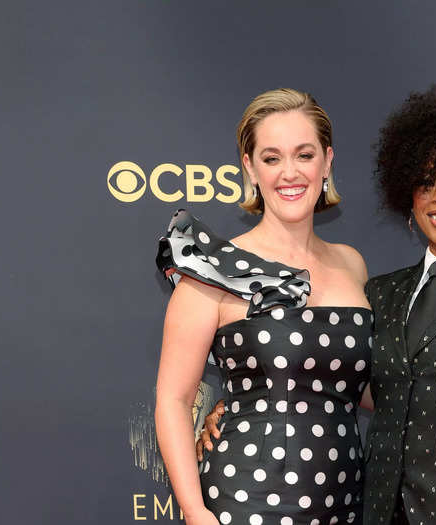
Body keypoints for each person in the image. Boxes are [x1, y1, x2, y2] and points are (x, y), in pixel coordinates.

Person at [199, 86, 436, 525]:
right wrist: (245, 401)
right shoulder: (383, 294)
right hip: (372, 510)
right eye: (426, 182)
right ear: (408, 195)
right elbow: (345, 376)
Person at [154, 88, 373, 525]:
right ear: (250, 168)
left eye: (304, 155)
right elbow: (173, 399)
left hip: (344, 498)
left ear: (327, 162)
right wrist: (196, 512)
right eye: (272, 158)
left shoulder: (353, 264)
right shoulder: (214, 270)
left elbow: (361, 388)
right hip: (247, 498)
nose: (289, 173)